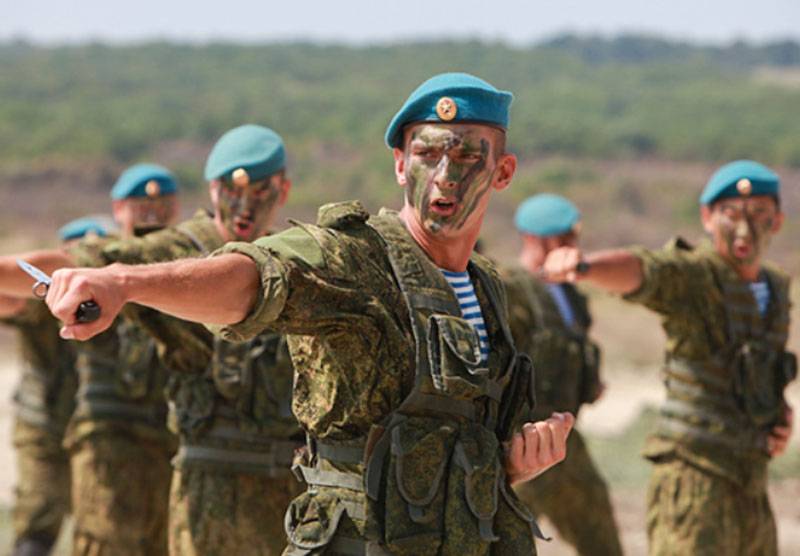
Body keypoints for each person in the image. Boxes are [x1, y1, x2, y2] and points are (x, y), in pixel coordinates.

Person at [43, 72, 573, 555]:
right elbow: (253, 278)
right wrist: (122, 282)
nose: (444, 177)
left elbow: (446, 446)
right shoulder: (357, 259)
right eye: (427, 156)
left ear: (502, 171)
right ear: (398, 163)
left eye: (465, 159)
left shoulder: (485, 289)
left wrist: (509, 464)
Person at [541, 160, 795, 555]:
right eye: (731, 214)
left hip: (752, 483)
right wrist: (585, 266)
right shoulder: (696, 276)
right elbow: (645, 271)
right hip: (695, 483)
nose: (745, 229)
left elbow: (761, 371)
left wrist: (777, 418)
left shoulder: (776, 289)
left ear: (777, 221)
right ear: (708, 218)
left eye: (759, 214)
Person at [99, 124, 302, 555]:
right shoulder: (179, 254)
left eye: (259, 192)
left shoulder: (296, 267)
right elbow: (92, 263)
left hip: (282, 498)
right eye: (232, 192)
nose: (244, 206)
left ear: (281, 192)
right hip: (203, 493)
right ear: (212, 192)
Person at [0, 164, 180, 556]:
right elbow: (16, 298)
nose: (152, 215)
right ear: (120, 210)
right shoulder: (76, 282)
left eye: (162, 205)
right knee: (38, 529)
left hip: (153, 443)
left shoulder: (170, 273)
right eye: (140, 206)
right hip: (50, 428)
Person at [504, 193, 624, 556]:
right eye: (562, 239)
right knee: (505, 543)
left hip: (567, 438)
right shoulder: (511, 291)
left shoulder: (571, 295)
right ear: (532, 239)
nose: (571, 247)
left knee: (603, 541)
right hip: (523, 442)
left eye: (573, 238)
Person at [1, 217, 110, 556]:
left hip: (97, 432)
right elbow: (13, 302)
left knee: (101, 527)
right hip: (43, 428)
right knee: (38, 522)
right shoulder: (39, 302)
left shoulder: (111, 303)